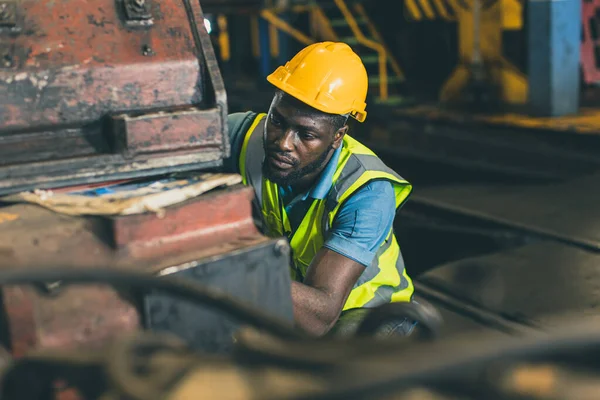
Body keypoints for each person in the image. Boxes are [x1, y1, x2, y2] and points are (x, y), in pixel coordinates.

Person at [223, 42, 415, 337]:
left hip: (367, 312)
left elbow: (320, 317)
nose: (284, 142)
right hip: (290, 296)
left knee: (336, 372)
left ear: (337, 136)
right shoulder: (243, 135)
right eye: (277, 121)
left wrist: (229, 269)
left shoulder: (367, 191)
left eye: (306, 134)